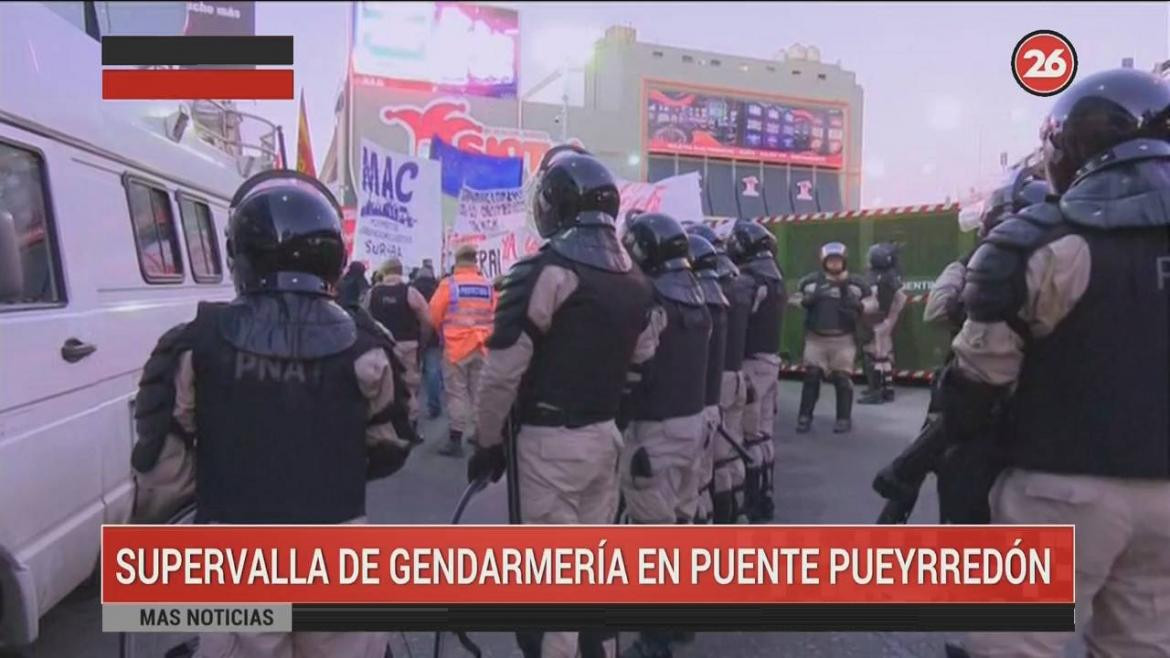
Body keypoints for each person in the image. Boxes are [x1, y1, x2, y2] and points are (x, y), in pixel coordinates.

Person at [129, 170, 414, 658]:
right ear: (335, 260)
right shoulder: (370, 346)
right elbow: (389, 446)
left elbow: (161, 472)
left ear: (239, 253)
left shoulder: (195, 343)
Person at [941, 68, 1170, 658]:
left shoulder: (1046, 239)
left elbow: (981, 376)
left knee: (1017, 645)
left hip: (1061, 487)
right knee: (1143, 645)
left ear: (1074, 146)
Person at [470, 145, 654, 658]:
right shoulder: (635, 280)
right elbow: (641, 360)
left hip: (549, 444)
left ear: (553, 203)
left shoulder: (544, 270)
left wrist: (485, 442)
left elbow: (502, 372)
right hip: (604, 437)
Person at [619, 212, 711, 658]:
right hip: (692, 425)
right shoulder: (697, 294)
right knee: (683, 525)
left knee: (651, 539)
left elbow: (637, 364)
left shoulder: (651, 298)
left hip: (653, 429)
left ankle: (654, 641)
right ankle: (683, 619)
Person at [726, 220, 786, 523]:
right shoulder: (774, 275)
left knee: (745, 437)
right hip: (771, 362)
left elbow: (738, 326)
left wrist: (731, 369)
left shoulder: (749, 280)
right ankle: (766, 495)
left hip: (750, 364)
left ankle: (749, 504)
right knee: (763, 435)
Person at [794, 242, 871, 435]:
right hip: (816, 338)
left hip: (844, 339)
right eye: (831, 260)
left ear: (844, 261)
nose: (834, 264)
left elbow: (873, 303)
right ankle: (804, 417)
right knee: (811, 376)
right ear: (823, 261)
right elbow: (794, 298)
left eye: (838, 260)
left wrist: (860, 306)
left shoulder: (856, 283)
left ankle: (843, 419)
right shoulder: (811, 282)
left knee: (842, 379)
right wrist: (805, 301)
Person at [429, 245, 495, 456]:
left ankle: (456, 439)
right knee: (479, 392)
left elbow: (434, 314)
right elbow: (495, 312)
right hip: (483, 345)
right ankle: (479, 435)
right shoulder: (487, 285)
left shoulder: (450, 284)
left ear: (457, 262)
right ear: (475, 261)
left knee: (457, 391)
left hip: (456, 347)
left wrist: (441, 330)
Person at [684, 233, 729, 524]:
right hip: (710, 402)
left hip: (688, 408)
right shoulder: (722, 298)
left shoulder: (685, 305)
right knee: (703, 481)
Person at [367, 257, 433, 433]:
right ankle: (411, 424)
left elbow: (364, 318)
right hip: (408, 344)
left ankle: (385, 426)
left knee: (383, 385)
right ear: (399, 271)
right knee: (409, 385)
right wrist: (422, 340)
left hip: (382, 346)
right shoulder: (410, 292)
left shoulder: (373, 293)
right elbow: (427, 319)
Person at [858, 242, 907, 404]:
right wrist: (891, 319)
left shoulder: (876, 277)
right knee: (884, 354)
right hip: (886, 320)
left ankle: (876, 391)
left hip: (876, 320)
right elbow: (900, 298)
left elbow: (871, 301)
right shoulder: (892, 275)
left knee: (874, 354)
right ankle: (888, 389)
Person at [409, 259, 444, 420]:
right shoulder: (438, 289)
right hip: (434, 336)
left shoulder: (411, 289)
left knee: (411, 373)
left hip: (413, 335)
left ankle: (410, 406)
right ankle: (434, 405)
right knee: (433, 371)